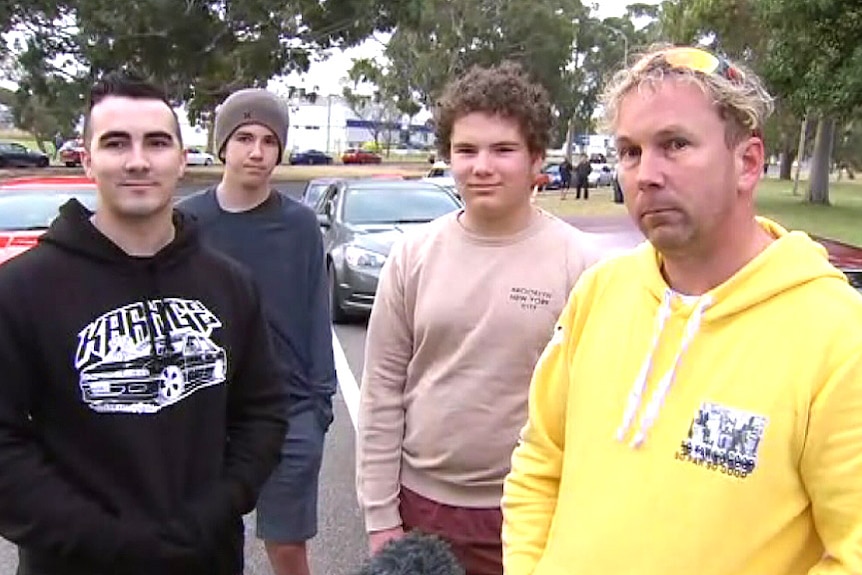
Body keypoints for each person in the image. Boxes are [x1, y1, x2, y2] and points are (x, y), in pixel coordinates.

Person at [502, 44, 862, 575]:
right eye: (629, 151)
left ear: (748, 162)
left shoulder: (836, 334)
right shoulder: (599, 292)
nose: (646, 174)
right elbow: (538, 465)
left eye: (675, 144)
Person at [0, 71, 288, 575]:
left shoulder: (229, 285)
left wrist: (216, 509)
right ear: (87, 160)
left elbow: (262, 414)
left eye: (156, 143)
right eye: (116, 143)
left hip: (206, 557)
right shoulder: (22, 289)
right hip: (72, 563)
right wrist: (108, 540)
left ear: (182, 159)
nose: (138, 160)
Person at [356, 61, 598, 575]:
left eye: (502, 149)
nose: (481, 165)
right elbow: (381, 391)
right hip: (421, 507)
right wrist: (380, 517)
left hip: (528, 513)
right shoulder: (413, 255)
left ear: (537, 159)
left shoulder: (582, 263)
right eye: (466, 150)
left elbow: (593, 410)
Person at [177, 88, 336, 575]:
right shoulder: (185, 221)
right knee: (203, 547)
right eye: (244, 137)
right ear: (223, 144)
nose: (256, 151)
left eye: (269, 140)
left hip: (288, 412)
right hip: (206, 415)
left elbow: (316, 319)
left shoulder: (301, 225)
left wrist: (318, 410)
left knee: (287, 549)